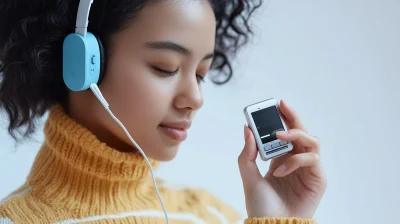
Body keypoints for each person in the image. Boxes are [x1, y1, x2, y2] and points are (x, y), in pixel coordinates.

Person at [0, 0, 327, 223]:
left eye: (200, 74)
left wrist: (279, 218)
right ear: (81, 63)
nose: (195, 99)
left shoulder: (210, 214)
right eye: (166, 67)